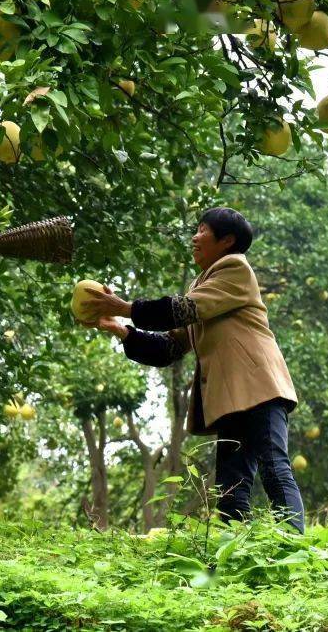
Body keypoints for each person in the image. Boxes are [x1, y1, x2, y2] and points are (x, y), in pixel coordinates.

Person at [79, 207, 305, 532]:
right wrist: (120, 328)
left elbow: (183, 309)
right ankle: (236, 559)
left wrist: (127, 308)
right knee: (230, 489)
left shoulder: (233, 267)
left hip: (260, 388)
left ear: (227, 241)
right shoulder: (203, 285)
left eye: (203, 230)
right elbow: (170, 348)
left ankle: (297, 551)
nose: (195, 237)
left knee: (273, 466)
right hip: (232, 400)